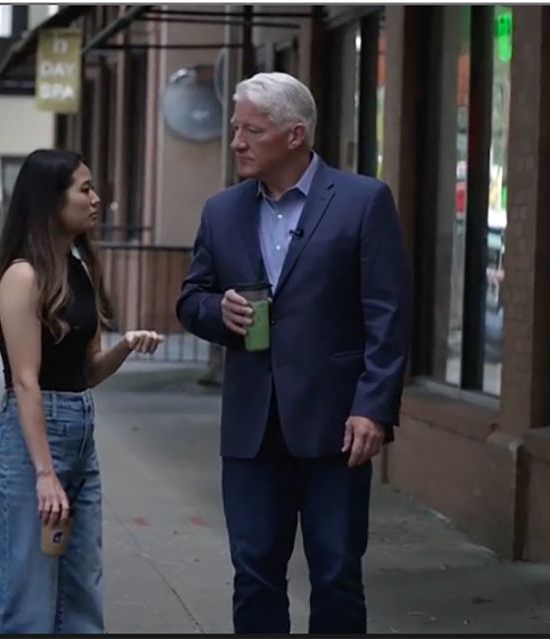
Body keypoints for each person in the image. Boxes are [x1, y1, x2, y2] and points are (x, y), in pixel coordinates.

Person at [176, 72, 413, 634]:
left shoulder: (363, 202)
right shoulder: (222, 210)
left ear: (295, 135)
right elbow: (191, 299)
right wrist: (218, 312)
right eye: (235, 128)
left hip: (337, 428)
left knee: (335, 574)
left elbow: (389, 314)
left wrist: (373, 407)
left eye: (251, 130)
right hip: (251, 430)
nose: (236, 141)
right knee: (254, 573)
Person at [0, 149, 165, 634]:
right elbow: (26, 381)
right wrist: (44, 474)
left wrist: (126, 346)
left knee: (81, 594)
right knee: (27, 601)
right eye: (84, 189)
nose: (96, 199)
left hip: (79, 437)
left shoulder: (79, 269)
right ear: (50, 200)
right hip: (29, 448)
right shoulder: (23, 277)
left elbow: (85, 373)